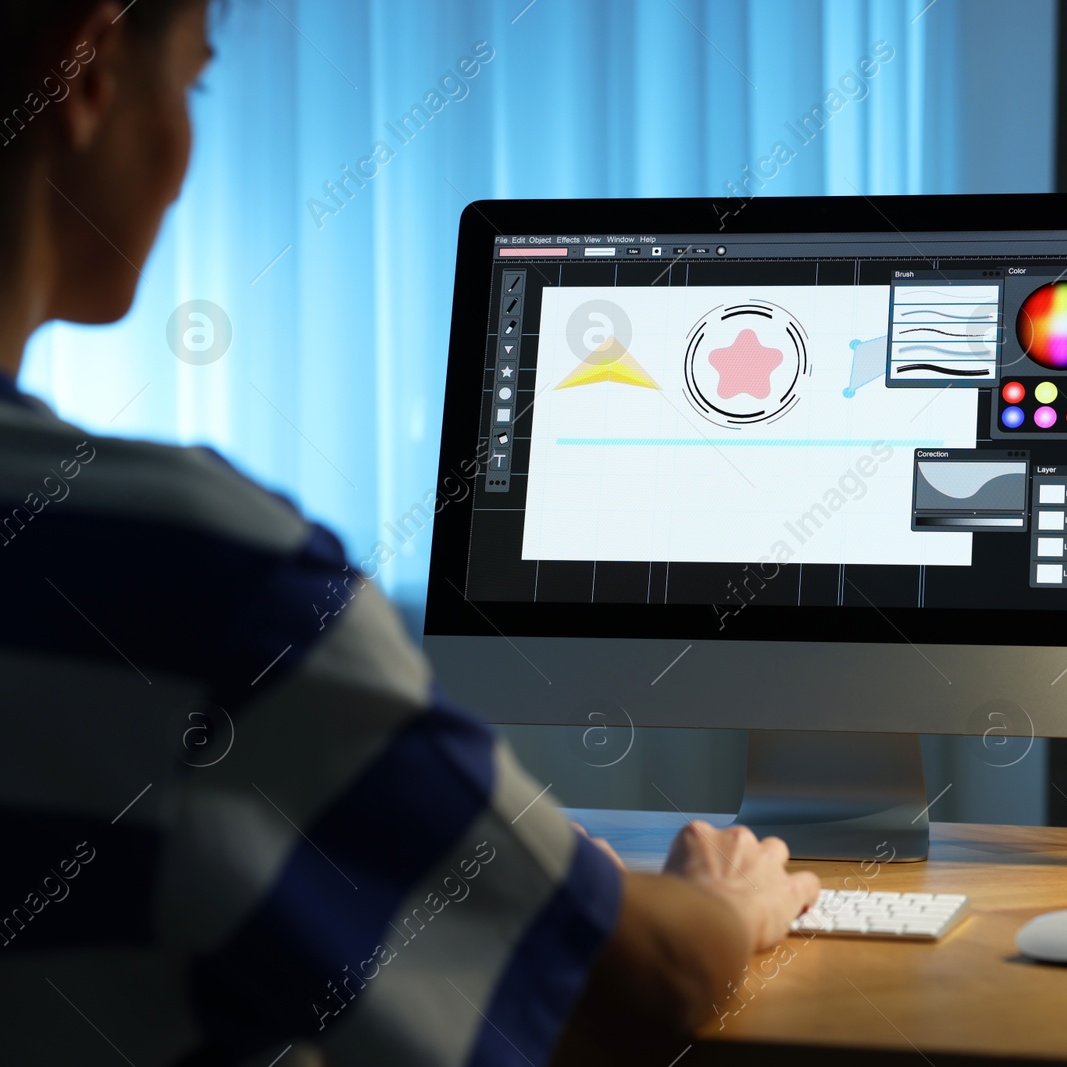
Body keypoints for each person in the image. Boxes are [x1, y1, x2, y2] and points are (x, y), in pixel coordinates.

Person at [0, 4, 819, 1065]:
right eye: (194, 83)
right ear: (88, 74)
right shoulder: (195, 582)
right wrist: (724, 900)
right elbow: (627, 991)